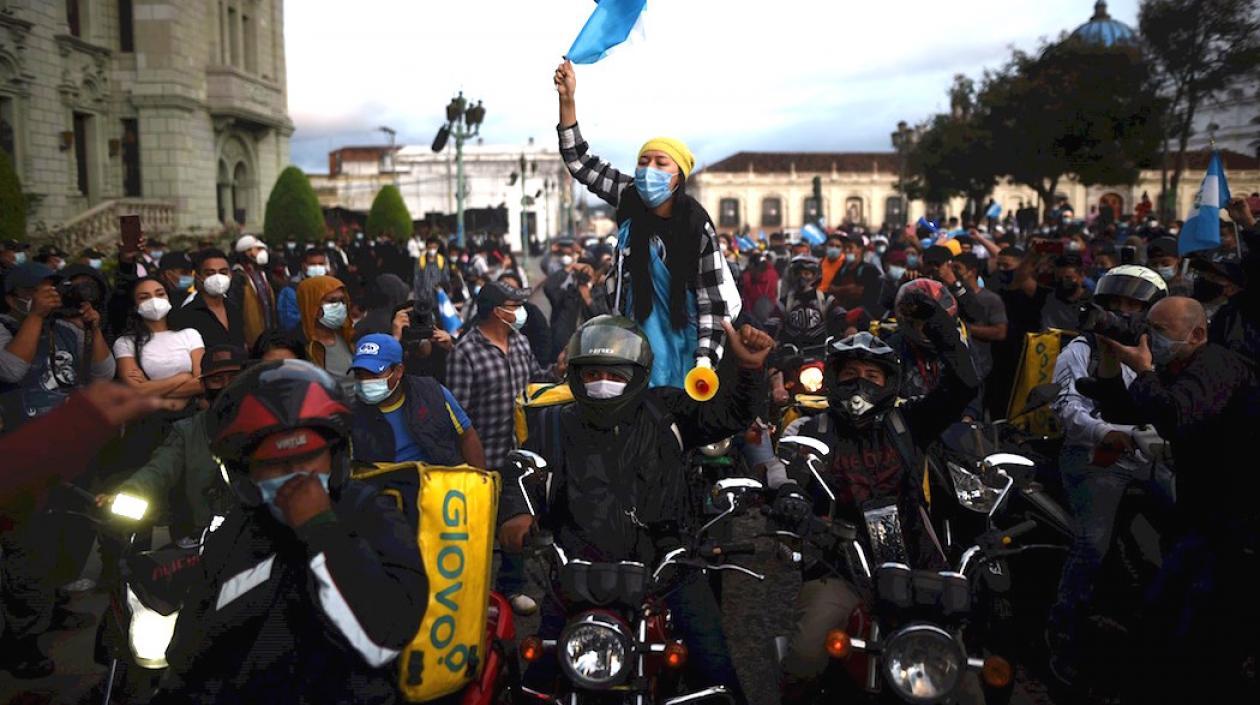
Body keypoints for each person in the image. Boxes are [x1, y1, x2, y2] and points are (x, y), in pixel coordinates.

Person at [498, 315, 773, 704]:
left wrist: (749, 369)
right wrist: (518, 521)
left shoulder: (668, 411)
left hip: (667, 568)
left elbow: (728, 415)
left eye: (614, 373)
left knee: (718, 678)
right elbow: (521, 471)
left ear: (639, 374)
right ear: (575, 376)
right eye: (591, 373)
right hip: (577, 575)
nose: (601, 382)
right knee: (535, 686)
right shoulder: (552, 423)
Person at [157, 360, 425, 704]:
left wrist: (321, 529)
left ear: (336, 457)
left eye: (310, 457)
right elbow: (192, 648)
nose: (297, 477)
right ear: (245, 476)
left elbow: (384, 636)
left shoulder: (373, 515)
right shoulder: (239, 530)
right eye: (276, 464)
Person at [768, 299, 979, 699]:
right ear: (834, 379)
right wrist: (789, 492)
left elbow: (965, 385)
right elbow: (788, 462)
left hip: (917, 561)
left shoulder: (908, 424)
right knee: (806, 654)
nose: (860, 384)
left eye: (872, 375)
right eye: (850, 375)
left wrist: (940, 328)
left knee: (962, 676)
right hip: (844, 565)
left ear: (889, 383)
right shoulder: (816, 426)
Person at [1088, 297, 1258, 702]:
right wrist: (1112, 360)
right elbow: (1125, 409)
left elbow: (1176, 416)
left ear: (1197, 334)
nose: (1151, 339)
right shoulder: (1176, 368)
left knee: (1201, 632)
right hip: (1206, 517)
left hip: (1237, 524)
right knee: (1166, 618)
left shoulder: (1217, 365)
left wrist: (1143, 370)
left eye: (1160, 332)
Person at [555, 59, 736, 388]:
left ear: (677, 177)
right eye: (643, 161)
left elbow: (711, 302)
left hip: (686, 351)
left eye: (660, 163)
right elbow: (579, 161)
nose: (648, 169)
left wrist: (705, 362)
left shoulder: (697, 225)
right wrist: (567, 100)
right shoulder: (629, 197)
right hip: (632, 345)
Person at [1045, 265, 1170, 683]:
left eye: (1134, 305)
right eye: (1115, 303)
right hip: (1097, 458)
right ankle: (1063, 631)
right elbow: (1069, 410)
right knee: (1092, 544)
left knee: (1196, 520)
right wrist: (1114, 432)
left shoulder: (1164, 352)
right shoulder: (1081, 350)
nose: (1122, 312)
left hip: (1154, 458)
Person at [447, 280, 554, 614]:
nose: (520, 312)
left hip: (516, 457)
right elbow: (457, 415)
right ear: (497, 311)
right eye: (514, 305)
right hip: (480, 460)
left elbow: (536, 382)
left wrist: (559, 371)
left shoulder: (520, 342)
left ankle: (510, 588)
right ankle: (476, 597)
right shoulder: (465, 353)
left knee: (515, 530)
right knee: (477, 536)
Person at [97, 345, 247, 540]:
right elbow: (159, 470)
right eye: (216, 380)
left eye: (233, 378)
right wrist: (130, 491)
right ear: (203, 386)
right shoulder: (187, 431)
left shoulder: (266, 422)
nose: (226, 386)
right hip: (203, 537)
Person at [0, 263, 116, 429]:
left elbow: (104, 374)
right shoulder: (3, 327)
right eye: (38, 292)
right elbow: (12, 371)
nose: (47, 298)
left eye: (51, 291)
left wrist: (93, 330)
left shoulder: (63, 327)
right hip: (22, 433)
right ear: (11, 299)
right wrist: (36, 315)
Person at [348, 333, 485, 468]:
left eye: (374, 374)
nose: (366, 381)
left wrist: (480, 482)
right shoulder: (351, 415)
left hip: (439, 483)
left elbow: (467, 436)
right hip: (383, 486)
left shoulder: (432, 393)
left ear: (399, 371)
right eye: (359, 374)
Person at [113, 277, 205, 399]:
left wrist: (150, 387)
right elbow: (136, 391)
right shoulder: (125, 343)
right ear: (135, 306)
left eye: (160, 294)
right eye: (144, 297)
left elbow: (202, 383)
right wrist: (184, 377)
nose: (154, 300)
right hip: (150, 415)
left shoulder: (190, 335)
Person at [170, 249, 246, 350]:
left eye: (223, 272)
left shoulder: (234, 309)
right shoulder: (187, 314)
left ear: (230, 275)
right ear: (198, 277)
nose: (218, 278)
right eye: (210, 273)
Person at [953, 253, 1007, 386]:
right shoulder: (950, 296)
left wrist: (964, 329)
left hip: (980, 366)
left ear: (971, 271)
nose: (954, 273)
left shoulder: (990, 299)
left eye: (957, 268)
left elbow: (1000, 332)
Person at [296, 275, 355, 377]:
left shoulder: (348, 336)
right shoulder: (298, 345)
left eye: (342, 300)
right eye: (332, 301)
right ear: (311, 305)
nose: (340, 306)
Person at [231, 235, 277, 347]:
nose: (262, 252)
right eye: (259, 249)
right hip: (251, 339)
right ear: (247, 252)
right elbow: (235, 309)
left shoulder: (262, 273)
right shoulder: (239, 277)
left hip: (268, 333)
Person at [278, 248, 331, 332]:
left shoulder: (331, 288)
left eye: (321, 264)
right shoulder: (290, 290)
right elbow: (288, 322)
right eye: (313, 264)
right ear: (304, 265)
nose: (317, 267)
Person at [1041, 254, 1091, 330]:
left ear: (1081, 276)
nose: (1063, 282)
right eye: (1059, 278)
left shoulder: (1093, 302)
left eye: (1068, 278)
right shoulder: (1048, 299)